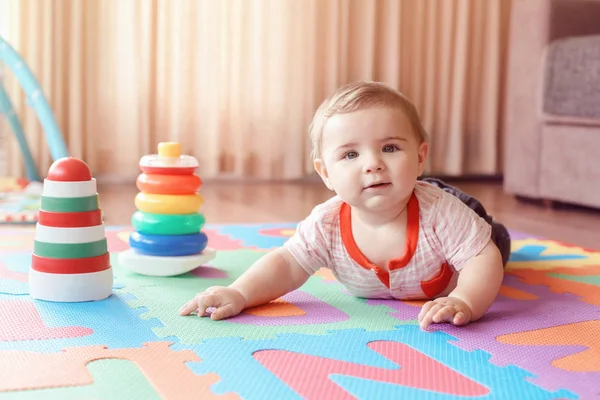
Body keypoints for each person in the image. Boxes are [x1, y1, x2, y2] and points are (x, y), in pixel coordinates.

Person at [179, 81, 511, 330]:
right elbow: (286, 264)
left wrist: (465, 299)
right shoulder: (327, 223)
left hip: (446, 211)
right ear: (325, 172)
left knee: (493, 243)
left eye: (391, 148)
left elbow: (481, 258)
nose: (373, 164)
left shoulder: (442, 213)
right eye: (351, 155)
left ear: (420, 157)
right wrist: (239, 293)